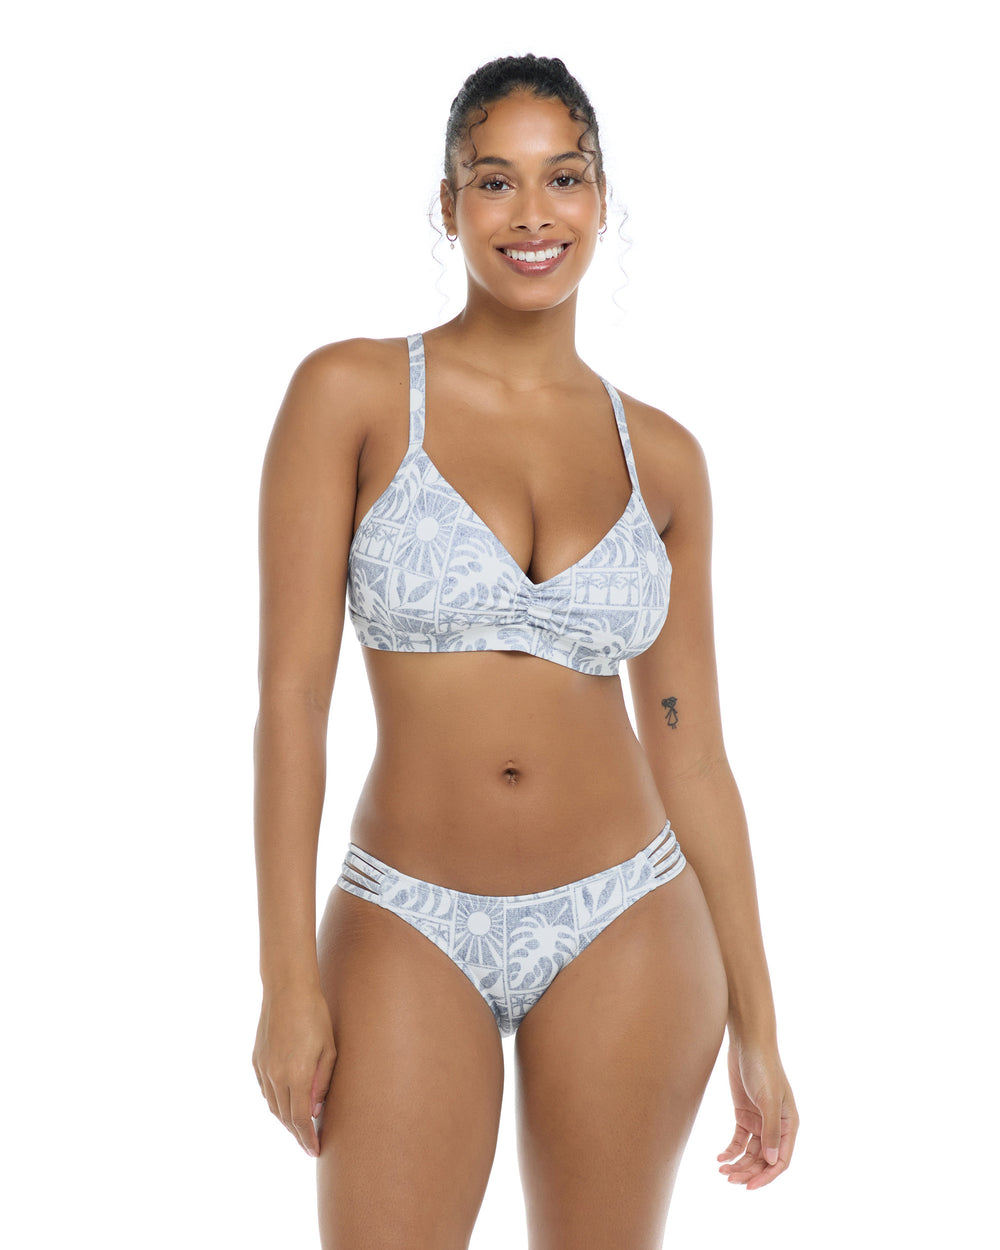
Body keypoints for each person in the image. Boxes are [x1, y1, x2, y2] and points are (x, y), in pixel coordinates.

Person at [252, 52, 798, 1249]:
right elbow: (290, 701)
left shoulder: (664, 458)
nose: (532, 214)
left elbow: (693, 751)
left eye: (565, 177)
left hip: (629, 915)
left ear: (601, 198)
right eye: (495, 181)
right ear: (447, 205)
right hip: (406, 913)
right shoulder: (349, 395)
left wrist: (759, 1018)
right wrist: (286, 978)